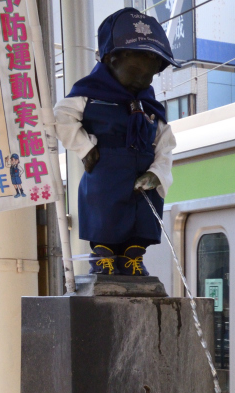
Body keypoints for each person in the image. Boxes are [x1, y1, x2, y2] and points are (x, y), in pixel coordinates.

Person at [54, 8, 180, 276]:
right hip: (106, 172)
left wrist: (157, 172)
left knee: (142, 220)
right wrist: (85, 147)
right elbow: (61, 117)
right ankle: (103, 258)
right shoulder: (89, 95)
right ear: (111, 59)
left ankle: (134, 256)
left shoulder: (150, 107)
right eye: (135, 70)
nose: (142, 79)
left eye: (149, 74)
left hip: (142, 175)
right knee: (104, 214)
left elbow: (165, 143)